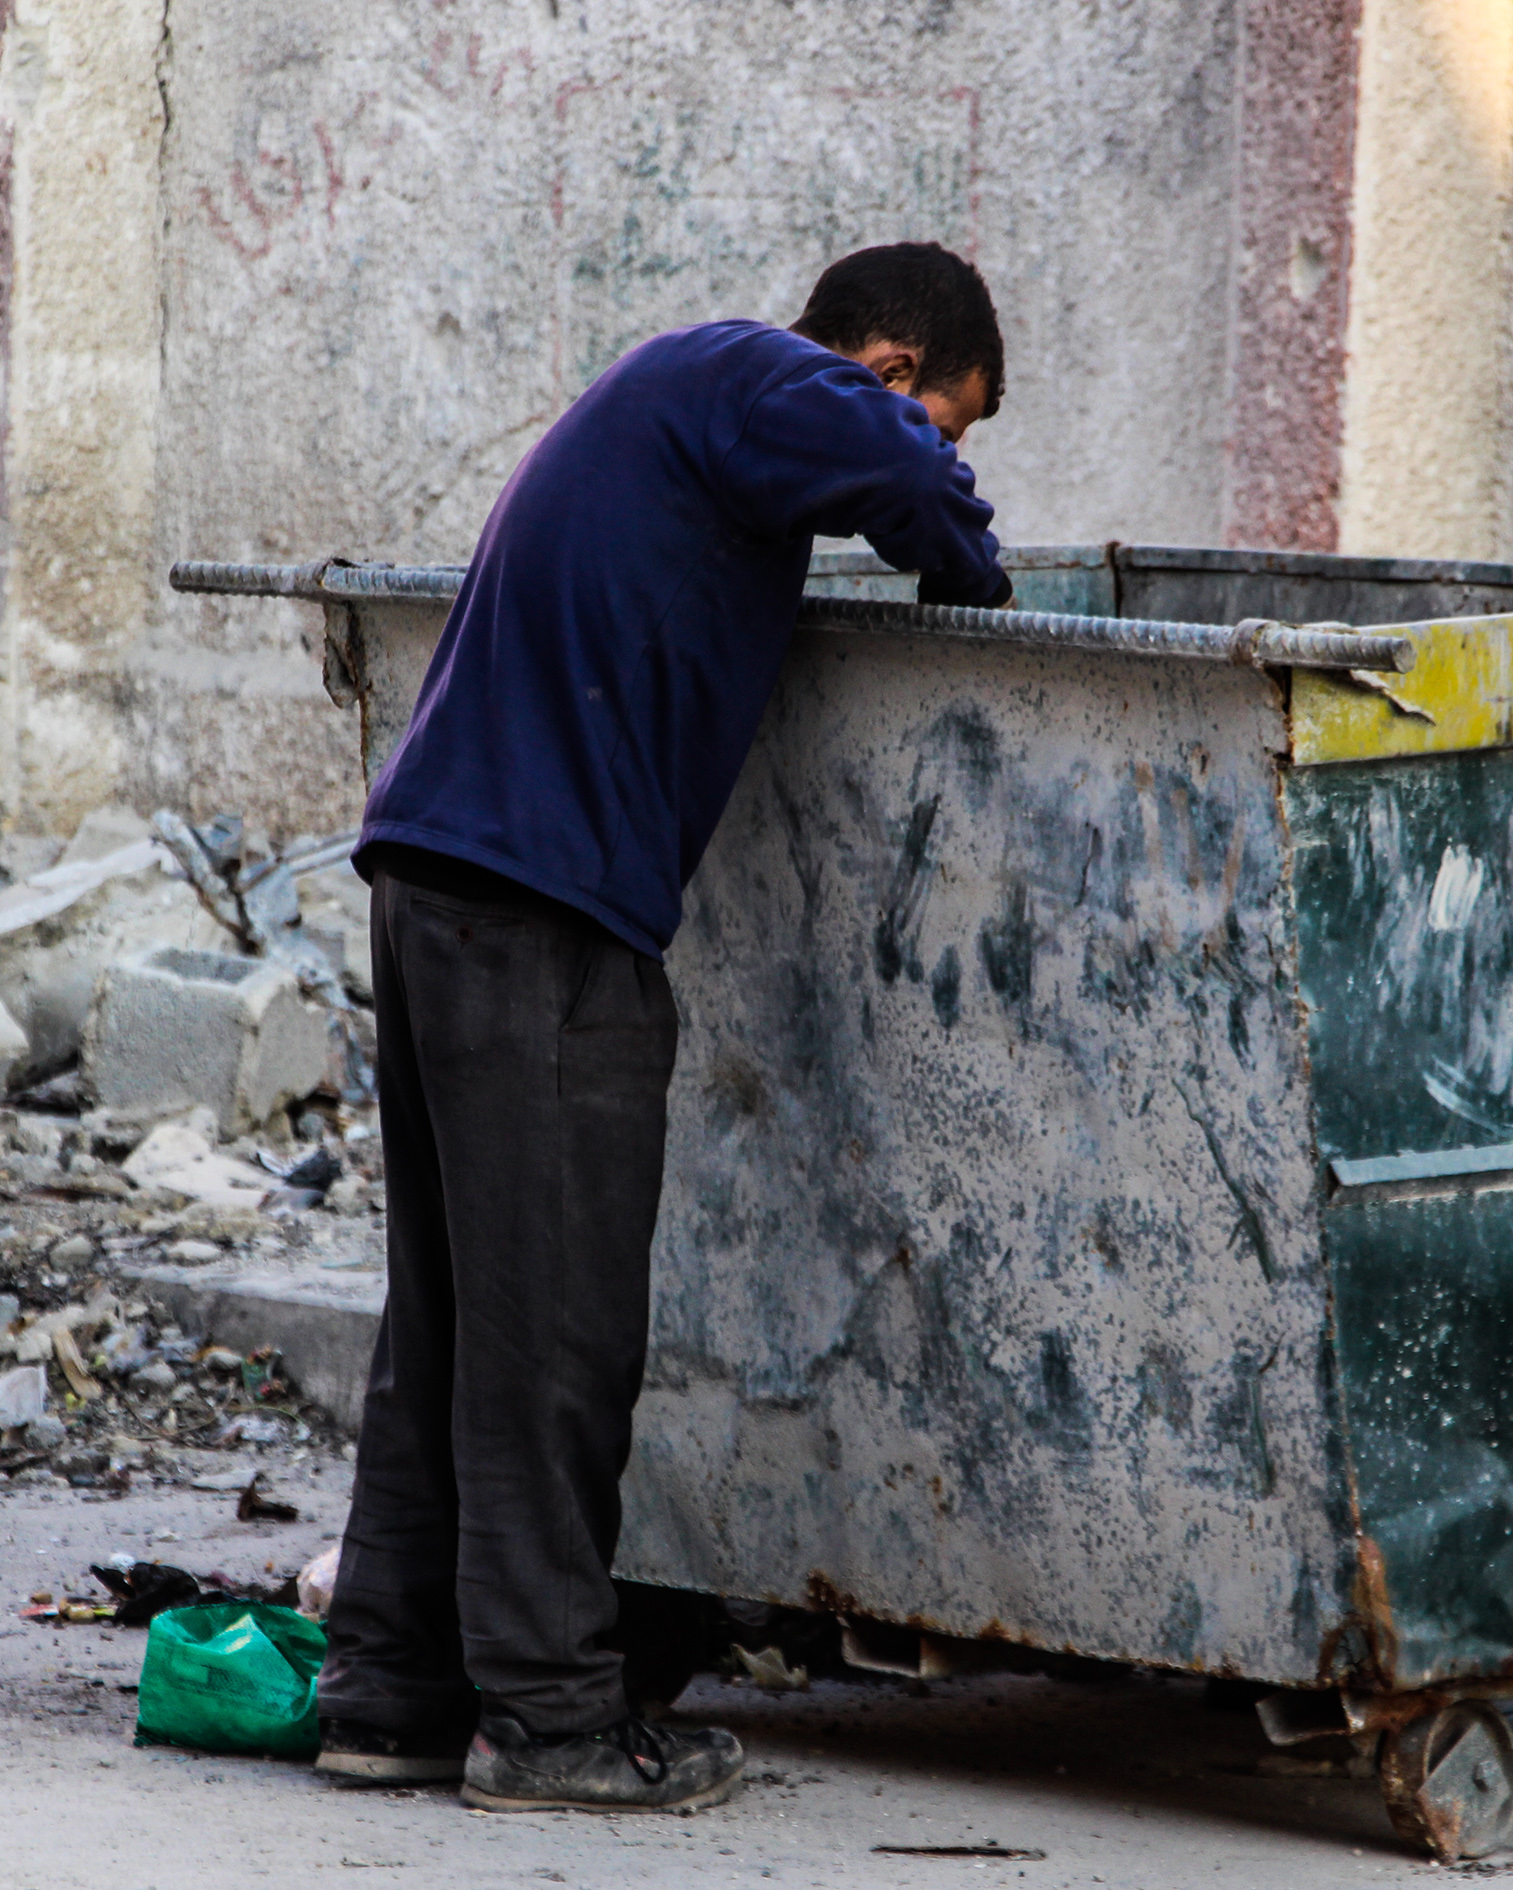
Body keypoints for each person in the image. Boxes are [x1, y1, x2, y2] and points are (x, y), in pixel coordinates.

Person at [314, 243, 1013, 1814]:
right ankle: (554, 1722)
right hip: (540, 913)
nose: (941, 457)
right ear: (890, 369)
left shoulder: (687, 401)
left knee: (452, 1327)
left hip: (443, 884)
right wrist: (963, 554)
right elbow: (900, 468)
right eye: (953, 421)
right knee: (557, 1336)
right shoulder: (761, 378)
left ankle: (392, 1690)